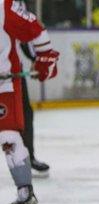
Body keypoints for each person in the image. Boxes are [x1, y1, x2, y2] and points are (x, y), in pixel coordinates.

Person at [1, 0, 59, 204]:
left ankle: (25, 191)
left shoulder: (3, 7)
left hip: (3, 84)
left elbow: (35, 29)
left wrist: (44, 58)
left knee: (9, 136)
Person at [19, 42, 50, 178]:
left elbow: (22, 36)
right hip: (10, 71)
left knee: (25, 113)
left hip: (12, 73)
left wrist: (35, 59)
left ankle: (28, 158)